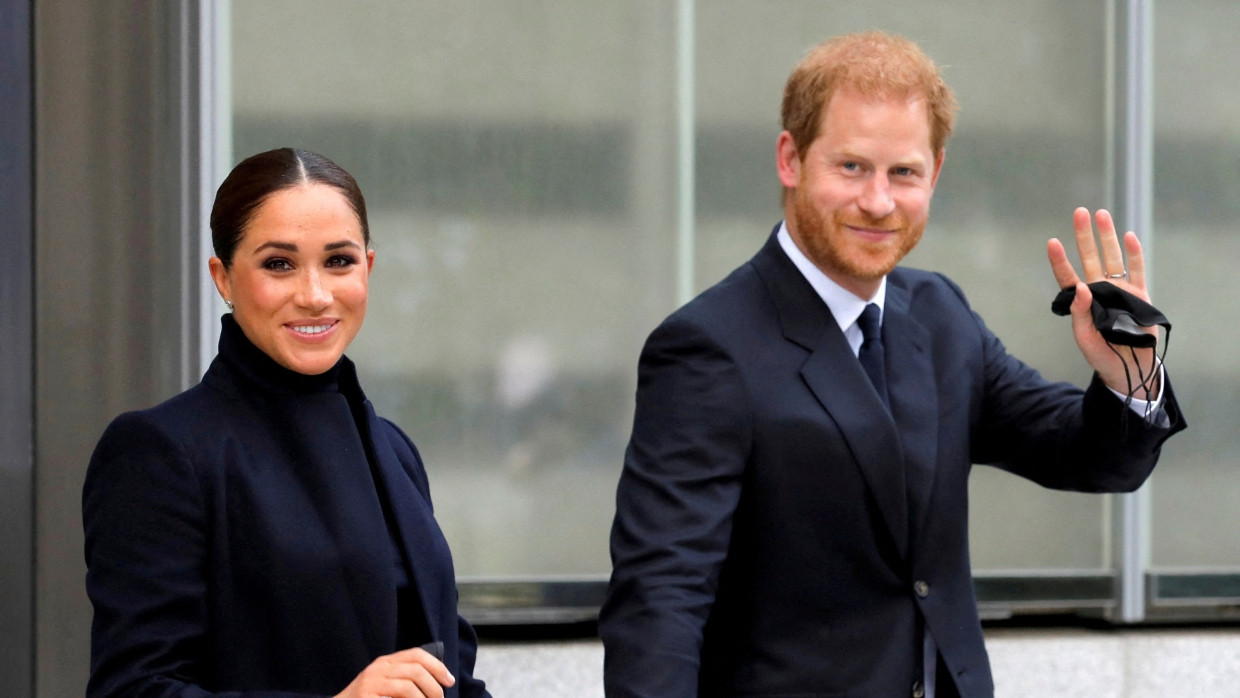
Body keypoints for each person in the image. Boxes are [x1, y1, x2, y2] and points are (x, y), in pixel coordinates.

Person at [599, 31, 1186, 698]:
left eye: (903, 173)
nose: (878, 201)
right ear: (790, 158)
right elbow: (660, 601)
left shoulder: (939, 315)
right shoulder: (709, 347)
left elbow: (1086, 456)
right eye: (851, 167)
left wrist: (1126, 369)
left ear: (935, 172)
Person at [83, 148, 489, 698]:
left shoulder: (395, 451)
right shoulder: (160, 451)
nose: (315, 295)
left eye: (338, 261)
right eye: (279, 264)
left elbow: (448, 673)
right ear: (223, 278)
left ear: (368, 268)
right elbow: (134, 688)